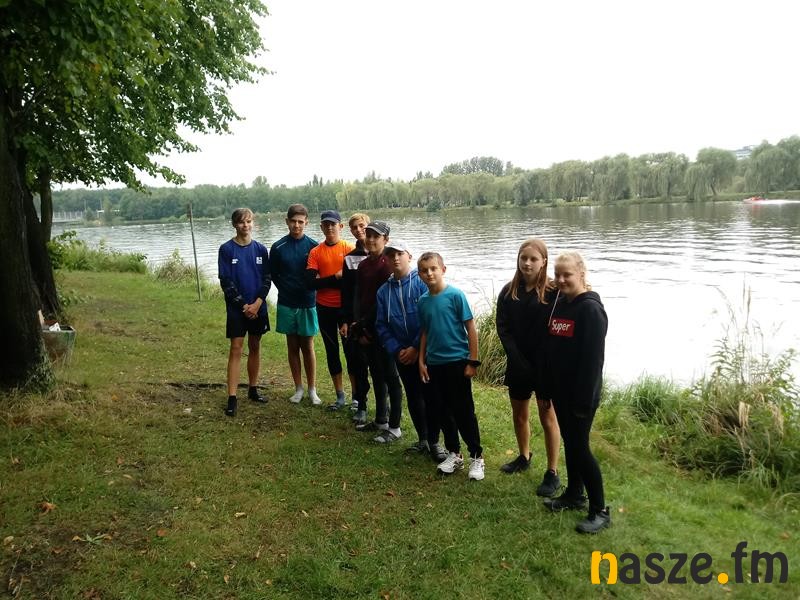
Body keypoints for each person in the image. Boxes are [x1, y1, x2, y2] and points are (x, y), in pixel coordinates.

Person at [543, 251, 610, 534]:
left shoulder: (590, 310)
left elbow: (593, 361)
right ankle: (573, 494)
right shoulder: (561, 304)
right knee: (571, 444)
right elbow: (553, 349)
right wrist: (547, 387)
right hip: (560, 391)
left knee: (580, 448)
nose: (561, 280)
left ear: (581, 274)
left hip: (581, 395)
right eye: (557, 274)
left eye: (567, 275)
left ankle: (600, 510)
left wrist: (583, 400)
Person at [496, 239, 562, 497]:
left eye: (533, 259)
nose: (527, 263)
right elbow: (503, 328)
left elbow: (564, 323)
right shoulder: (508, 292)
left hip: (545, 367)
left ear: (543, 261)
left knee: (548, 417)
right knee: (519, 414)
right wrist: (518, 360)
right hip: (518, 365)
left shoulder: (554, 292)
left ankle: (552, 471)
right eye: (523, 258)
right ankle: (524, 456)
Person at [375, 240, 449, 461]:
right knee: (414, 396)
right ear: (386, 260)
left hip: (426, 352)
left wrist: (416, 347)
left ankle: (437, 442)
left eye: (400, 254)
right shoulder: (383, 292)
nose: (395, 258)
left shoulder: (422, 282)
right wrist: (397, 350)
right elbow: (381, 325)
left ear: (409, 256)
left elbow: (429, 318)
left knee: (432, 396)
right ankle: (423, 439)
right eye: (391, 255)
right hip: (402, 355)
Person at [417, 252, 485, 481]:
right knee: (443, 411)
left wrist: (472, 361)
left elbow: (471, 327)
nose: (429, 273)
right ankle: (454, 453)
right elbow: (425, 332)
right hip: (434, 364)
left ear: (443, 270)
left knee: (463, 411)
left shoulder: (456, 295)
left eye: (433, 268)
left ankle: (476, 456)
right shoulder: (423, 301)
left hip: (457, 362)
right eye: (424, 270)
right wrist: (421, 361)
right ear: (420, 275)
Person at [351, 221, 403, 441]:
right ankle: (381, 419)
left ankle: (395, 426)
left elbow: (381, 302)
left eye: (376, 236)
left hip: (383, 329)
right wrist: (358, 324)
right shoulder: (364, 265)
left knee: (391, 377)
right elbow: (358, 295)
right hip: (366, 329)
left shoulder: (387, 265)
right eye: (369, 235)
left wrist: (365, 325)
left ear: (386, 240)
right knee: (376, 374)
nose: (371, 240)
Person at [218, 208, 271, 417]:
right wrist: (243, 306)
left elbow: (267, 279)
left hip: (258, 307)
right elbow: (226, 282)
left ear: (253, 223)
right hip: (236, 309)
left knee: (255, 346)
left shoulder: (261, 249)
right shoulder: (226, 249)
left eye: (248, 221)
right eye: (241, 222)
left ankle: (253, 388)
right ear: (234, 224)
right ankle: (232, 397)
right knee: (236, 348)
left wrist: (257, 303)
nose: (245, 225)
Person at [270, 204, 320, 404]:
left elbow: (319, 274)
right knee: (292, 345)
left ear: (306, 222)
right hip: (287, 302)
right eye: (293, 221)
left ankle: (312, 389)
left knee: (307, 345)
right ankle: (298, 388)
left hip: (308, 302)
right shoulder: (278, 247)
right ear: (287, 221)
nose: (296, 225)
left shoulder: (314, 246)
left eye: (300, 222)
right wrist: (285, 289)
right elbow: (273, 274)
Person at [306, 210, 354, 406]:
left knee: (351, 352)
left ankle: (357, 397)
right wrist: (336, 277)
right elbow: (310, 283)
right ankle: (340, 395)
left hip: (345, 308)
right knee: (331, 351)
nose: (329, 228)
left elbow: (352, 283)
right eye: (326, 225)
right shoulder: (316, 252)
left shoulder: (349, 249)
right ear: (321, 227)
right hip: (324, 307)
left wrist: (324, 281)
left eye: (333, 224)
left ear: (340, 226)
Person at [333, 213, 371, 414]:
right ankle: (361, 404)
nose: (359, 230)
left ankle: (385, 410)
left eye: (361, 225)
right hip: (356, 320)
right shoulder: (350, 258)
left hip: (377, 318)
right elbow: (346, 292)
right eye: (354, 227)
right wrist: (344, 320)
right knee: (358, 364)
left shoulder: (385, 254)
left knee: (382, 368)